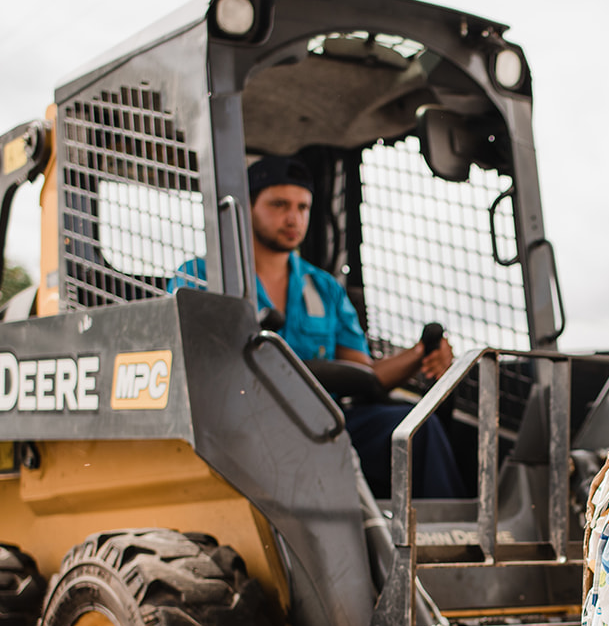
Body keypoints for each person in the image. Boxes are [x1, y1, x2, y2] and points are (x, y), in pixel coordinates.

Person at [171, 155, 463, 498]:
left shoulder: (325, 289)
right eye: (279, 204)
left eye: (302, 207)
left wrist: (421, 354)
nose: (293, 217)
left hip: (326, 424)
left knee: (415, 427)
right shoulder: (201, 278)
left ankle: (453, 542)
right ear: (246, 207)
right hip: (241, 431)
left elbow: (364, 373)